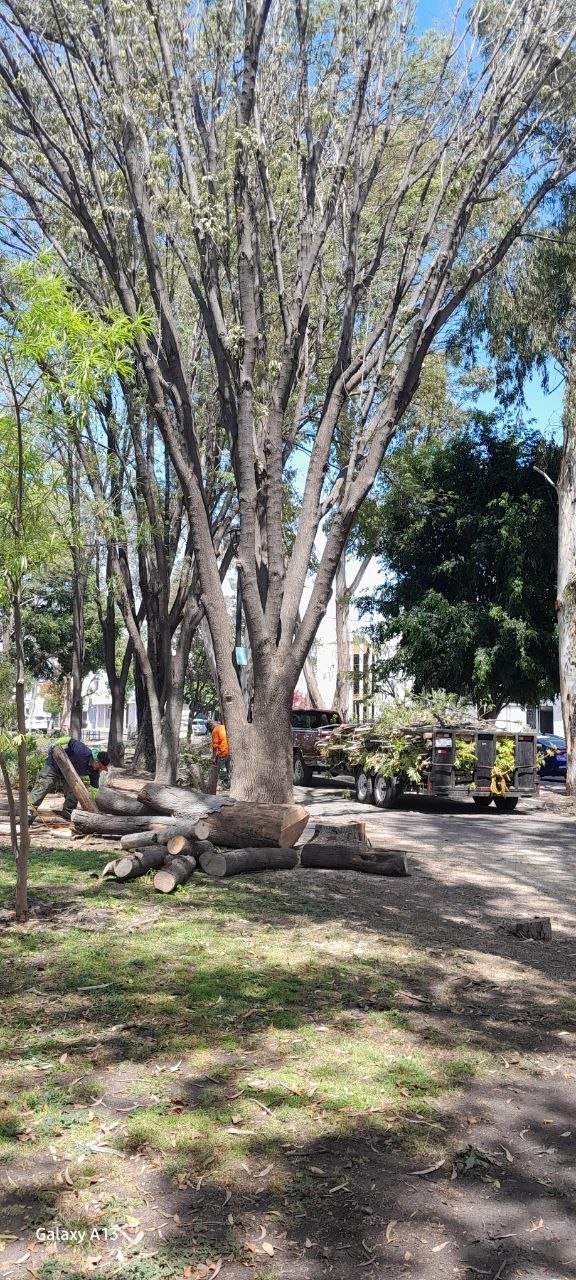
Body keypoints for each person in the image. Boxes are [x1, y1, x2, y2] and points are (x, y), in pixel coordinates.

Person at [28, 738, 110, 824]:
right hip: (54, 765)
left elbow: (94, 789)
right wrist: (54, 744)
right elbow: (69, 739)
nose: (100, 769)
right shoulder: (82, 751)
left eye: (102, 768)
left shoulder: (94, 772)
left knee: (74, 792)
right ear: (95, 759)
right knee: (43, 785)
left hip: (69, 774)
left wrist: (93, 805)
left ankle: (68, 812)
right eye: (100, 766)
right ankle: (29, 809)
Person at [206, 718, 230, 791]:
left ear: (210, 727)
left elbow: (215, 746)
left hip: (223, 752)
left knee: (217, 770)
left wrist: (213, 758)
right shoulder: (223, 726)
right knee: (229, 770)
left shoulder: (215, 730)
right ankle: (228, 785)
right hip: (230, 752)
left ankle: (217, 785)